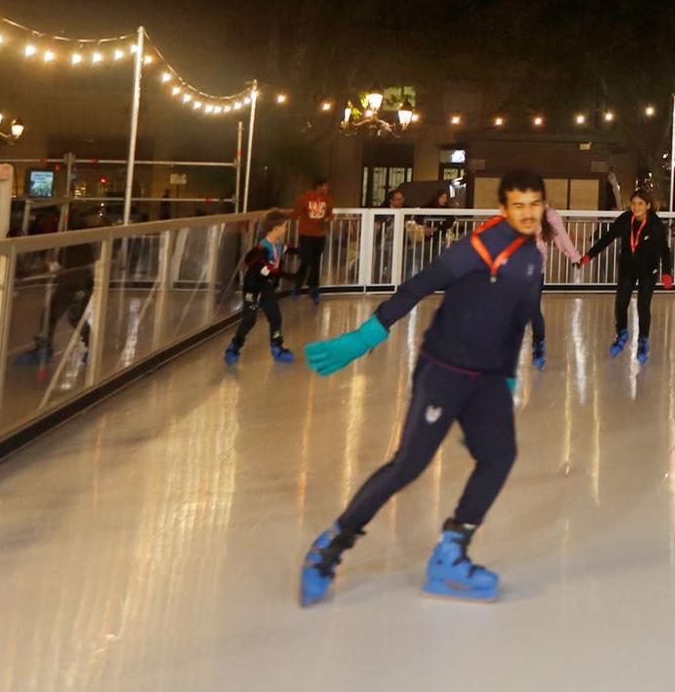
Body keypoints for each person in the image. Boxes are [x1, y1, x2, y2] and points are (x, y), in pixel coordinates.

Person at [299, 170, 549, 606]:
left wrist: (508, 375)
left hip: (488, 377)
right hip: (445, 370)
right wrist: (369, 333)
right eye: (519, 205)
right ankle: (330, 547)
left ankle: (451, 555)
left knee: (499, 455)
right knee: (408, 465)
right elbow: (419, 285)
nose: (528, 213)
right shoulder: (480, 246)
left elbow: (517, 320)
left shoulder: (533, 258)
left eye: (535, 204)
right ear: (504, 209)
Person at [579, 187, 673, 362]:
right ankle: (622, 333)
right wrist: (590, 254)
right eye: (633, 204)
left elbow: (665, 251)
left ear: (648, 206)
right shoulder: (625, 220)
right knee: (621, 304)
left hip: (648, 271)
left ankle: (643, 340)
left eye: (640, 204)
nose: (636, 207)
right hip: (627, 269)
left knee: (643, 306)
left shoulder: (654, 224)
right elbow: (607, 237)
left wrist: (667, 272)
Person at [227, 211, 296, 365]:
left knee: (275, 317)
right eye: (284, 226)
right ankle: (234, 346)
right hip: (252, 288)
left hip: (266, 287)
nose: (286, 229)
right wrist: (286, 275)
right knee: (249, 319)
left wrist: (302, 252)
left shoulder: (277, 245)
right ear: (276, 228)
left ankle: (277, 346)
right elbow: (265, 269)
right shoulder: (262, 248)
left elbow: (286, 250)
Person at [527, 205, 584, 368]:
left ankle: (538, 344)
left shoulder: (548, 214)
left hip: (535, 266)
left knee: (533, 308)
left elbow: (562, 237)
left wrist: (573, 255)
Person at [291, 175, 332, 303]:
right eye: (325, 185)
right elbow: (296, 213)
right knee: (305, 260)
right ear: (319, 186)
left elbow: (330, 214)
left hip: (320, 235)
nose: (327, 188)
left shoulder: (328, 199)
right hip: (306, 234)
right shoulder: (305, 198)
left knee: (315, 262)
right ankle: (297, 286)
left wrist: (327, 219)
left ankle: (314, 288)